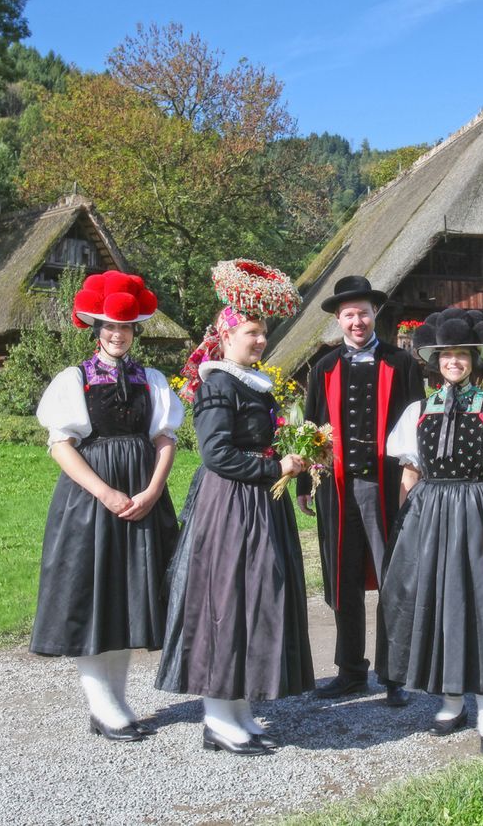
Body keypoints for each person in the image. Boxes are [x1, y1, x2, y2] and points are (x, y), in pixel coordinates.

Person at [157, 259, 313, 756]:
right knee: (227, 603)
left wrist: (296, 461)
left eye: (263, 332)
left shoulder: (252, 382)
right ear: (226, 337)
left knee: (256, 599)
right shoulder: (218, 383)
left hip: (259, 505)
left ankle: (240, 710)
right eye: (251, 332)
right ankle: (218, 718)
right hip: (229, 506)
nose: (260, 340)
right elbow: (216, 454)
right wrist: (275, 467)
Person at [32, 271, 184, 742]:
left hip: (143, 495)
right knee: (96, 596)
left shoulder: (151, 379)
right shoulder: (73, 379)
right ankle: (103, 705)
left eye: (126, 328)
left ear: (135, 332)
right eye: (109, 328)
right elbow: (61, 446)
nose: (118, 336)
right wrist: (105, 492)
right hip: (92, 501)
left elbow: (165, 437)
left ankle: (114, 703)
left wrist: (155, 489)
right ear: (96, 330)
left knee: (128, 599)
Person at [377, 307, 483, 753]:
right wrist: (404, 522)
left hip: (472, 508)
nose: (453, 362)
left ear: (473, 360)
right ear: (436, 360)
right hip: (427, 513)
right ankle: (451, 701)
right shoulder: (418, 410)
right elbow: (409, 472)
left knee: (479, 604)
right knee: (436, 602)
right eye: (446, 356)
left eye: (461, 356)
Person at [298, 276, 425, 706]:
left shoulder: (402, 364)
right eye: (349, 314)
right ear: (338, 320)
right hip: (336, 489)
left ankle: (393, 675)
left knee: (393, 578)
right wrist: (303, 484)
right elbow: (311, 428)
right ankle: (351, 671)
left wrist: (417, 485)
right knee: (342, 580)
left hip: (386, 487)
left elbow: (417, 431)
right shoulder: (324, 367)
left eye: (364, 313)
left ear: (375, 315)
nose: (357, 321)